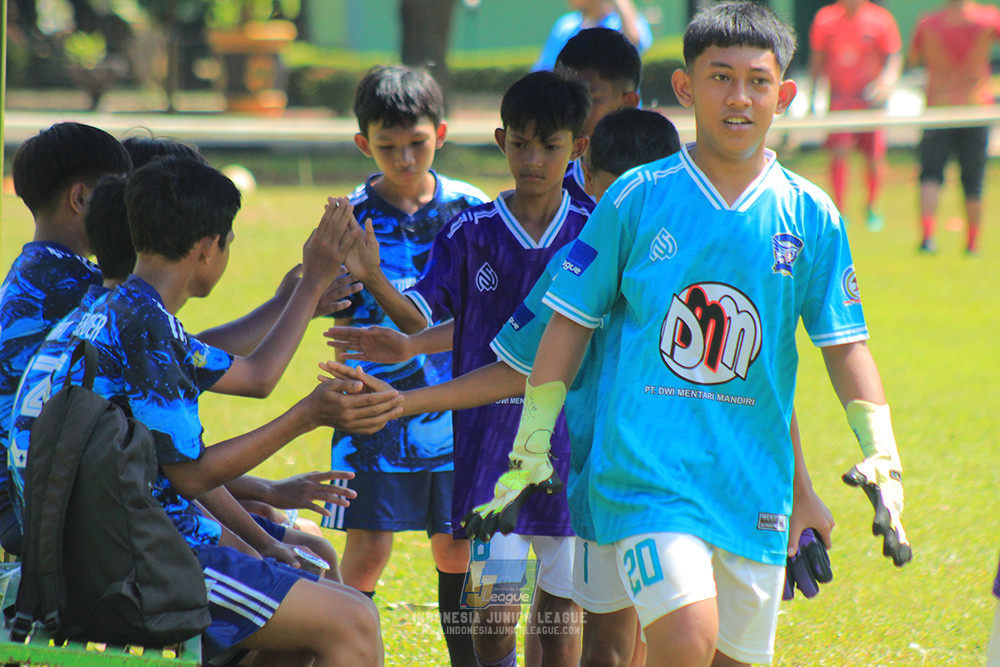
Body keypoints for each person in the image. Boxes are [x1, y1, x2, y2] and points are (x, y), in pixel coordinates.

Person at [462, 3, 910, 665]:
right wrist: (533, 443)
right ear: (684, 88)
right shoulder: (636, 197)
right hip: (645, 477)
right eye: (720, 77)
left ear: (783, 94)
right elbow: (566, 328)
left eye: (758, 81)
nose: (739, 97)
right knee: (684, 638)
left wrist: (880, 451)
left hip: (752, 487)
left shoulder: (810, 213)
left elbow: (845, 345)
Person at [327, 108, 835, 667]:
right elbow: (516, 360)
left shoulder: (705, 255)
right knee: (555, 631)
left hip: (694, 487)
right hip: (555, 478)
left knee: (628, 635)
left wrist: (801, 491)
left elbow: (766, 386)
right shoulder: (557, 254)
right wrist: (407, 394)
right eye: (521, 144)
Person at [8, 156, 392, 665]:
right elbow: (191, 477)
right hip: (137, 570)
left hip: (99, 553)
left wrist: (307, 287)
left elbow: (254, 377)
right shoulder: (144, 325)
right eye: (228, 240)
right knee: (355, 622)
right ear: (209, 248)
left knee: (320, 604)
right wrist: (307, 414)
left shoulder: (110, 309)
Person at [342, 69, 592, 667]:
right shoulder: (470, 230)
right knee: (492, 619)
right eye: (521, 144)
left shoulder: (594, 231)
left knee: (560, 625)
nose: (533, 160)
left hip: (571, 453)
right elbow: (418, 315)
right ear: (502, 141)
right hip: (488, 456)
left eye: (550, 146)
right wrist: (374, 276)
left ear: (577, 148)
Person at [322, 64, 489, 666]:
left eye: (417, 142)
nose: (405, 157)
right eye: (387, 146)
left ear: (441, 132)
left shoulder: (474, 212)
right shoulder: (347, 218)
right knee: (367, 550)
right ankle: (337, 648)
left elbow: (480, 321)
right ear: (364, 143)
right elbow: (322, 303)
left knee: (457, 549)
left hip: (458, 412)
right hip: (368, 415)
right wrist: (325, 292)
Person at [0, 122, 132, 556]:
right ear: (80, 199)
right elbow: (181, 358)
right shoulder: (72, 287)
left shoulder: (37, 272)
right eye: (119, 194)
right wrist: (296, 299)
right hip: (31, 509)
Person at [908, 0, 1000, 255]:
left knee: (930, 175)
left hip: (940, 105)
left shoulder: (928, 24)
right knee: (974, 180)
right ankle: (972, 243)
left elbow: (914, 58)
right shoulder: (987, 20)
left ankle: (928, 238)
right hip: (976, 105)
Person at [809, 0, 902, 231]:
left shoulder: (880, 19)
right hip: (840, 100)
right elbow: (817, 59)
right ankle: (840, 210)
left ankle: (872, 206)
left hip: (870, 101)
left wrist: (886, 83)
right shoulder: (825, 18)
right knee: (839, 154)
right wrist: (812, 96)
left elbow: (893, 57)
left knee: (874, 157)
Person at [554, 27, 642, 206]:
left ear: (629, 103)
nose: (572, 109)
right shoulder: (553, 189)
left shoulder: (661, 182)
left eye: (589, 97)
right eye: (564, 95)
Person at [535, 0, 652, 73]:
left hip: (622, 112)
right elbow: (544, 70)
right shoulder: (566, 25)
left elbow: (634, 44)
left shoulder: (622, 22)